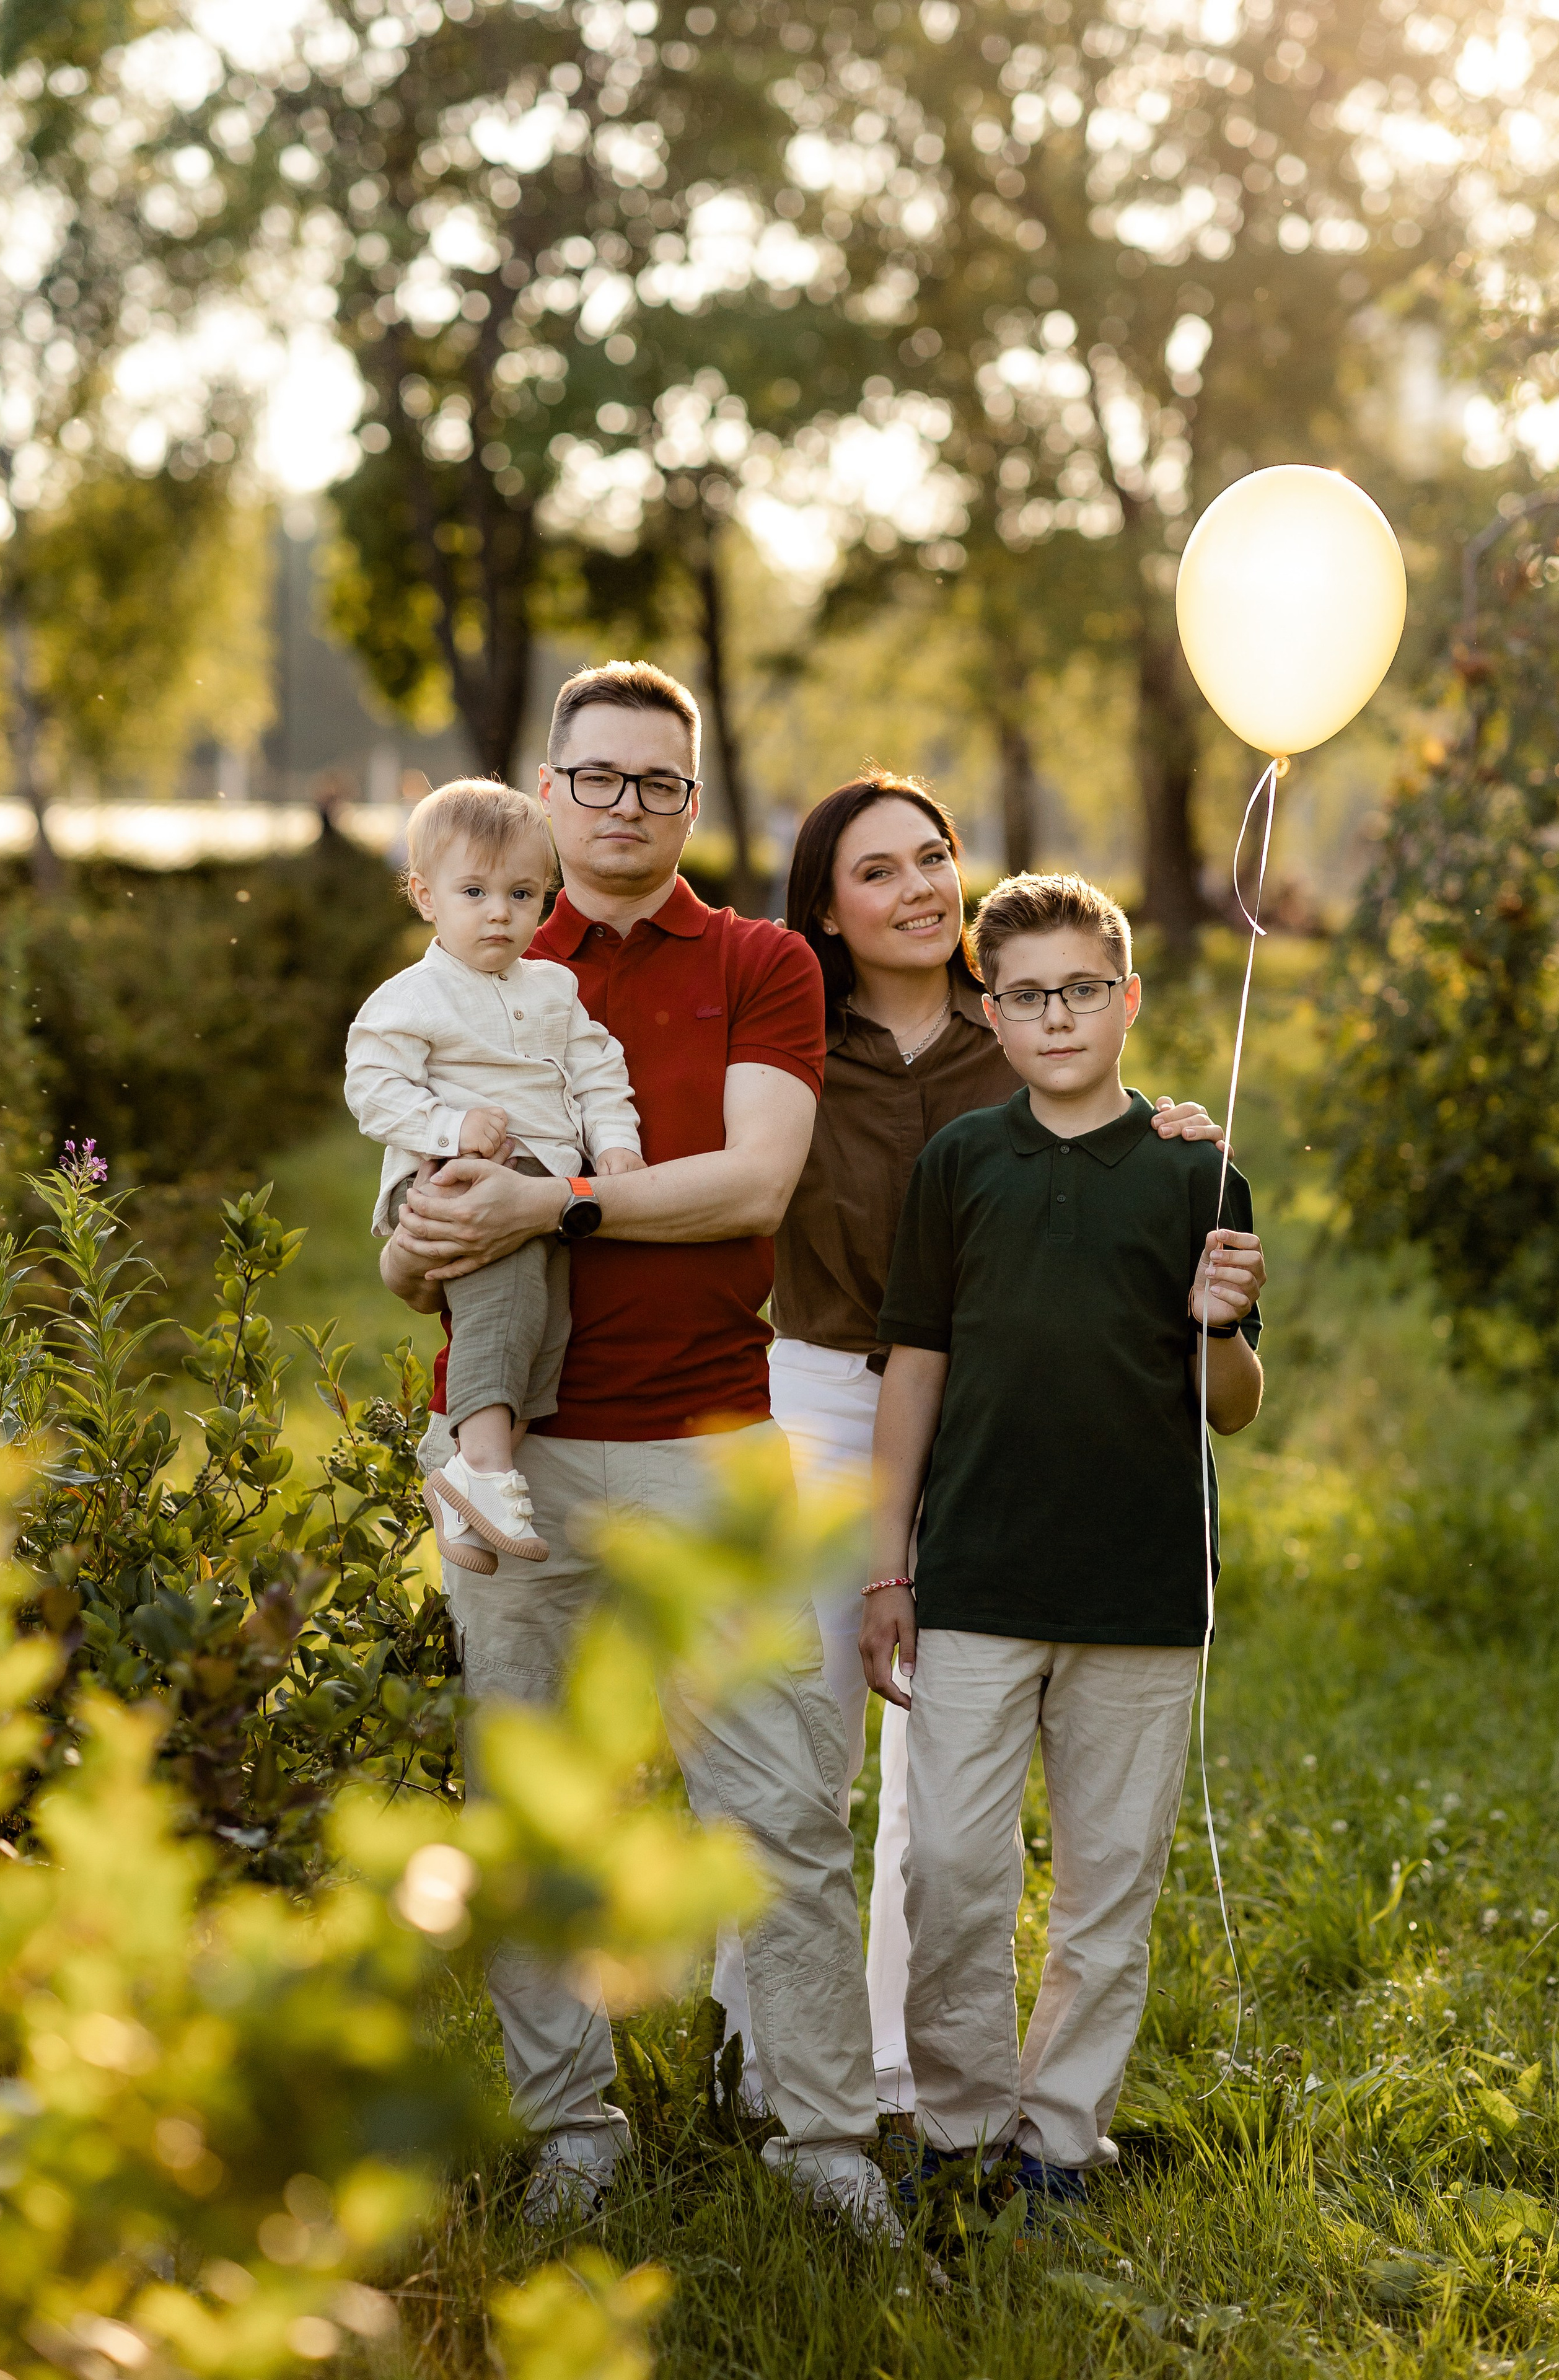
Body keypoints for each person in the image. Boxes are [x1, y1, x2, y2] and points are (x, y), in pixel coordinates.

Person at [379, 661, 901, 2242]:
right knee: (532, 1809)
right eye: (595, 777)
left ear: (691, 799)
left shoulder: (756, 962)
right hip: (511, 1450)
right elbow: (405, 1235)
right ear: (546, 790)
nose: (623, 806)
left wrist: (546, 1203)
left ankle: (826, 2141)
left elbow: (750, 1184)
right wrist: (424, 1233)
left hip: (708, 1443)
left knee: (783, 1808)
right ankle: (572, 2132)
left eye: (656, 782)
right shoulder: (474, 946)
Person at [718, 775, 1228, 2117]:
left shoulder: (1006, 1023)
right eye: (875, 870)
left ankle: (904, 2068)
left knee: (936, 1780)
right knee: (795, 1745)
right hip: (825, 1402)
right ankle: (762, 2056)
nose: (916, 888)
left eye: (932, 856)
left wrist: (1177, 1127)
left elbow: (1097, 1114)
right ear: (826, 908)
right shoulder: (785, 1037)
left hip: (997, 1417)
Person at [860, 869, 1267, 2210]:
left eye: (1081, 990)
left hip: (1141, 1589)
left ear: (1128, 999)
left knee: (1107, 1887)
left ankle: (1058, 2145)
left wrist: (1222, 1322)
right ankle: (961, 2129)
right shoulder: (960, 1164)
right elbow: (915, 1367)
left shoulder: (1198, 1171)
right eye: (1026, 996)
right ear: (990, 1012)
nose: (1055, 1017)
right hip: (977, 1574)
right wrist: (886, 1565)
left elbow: (1232, 1404)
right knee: (950, 1871)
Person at [345, 779, 644, 1563]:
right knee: (505, 1303)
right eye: (473, 892)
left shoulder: (553, 987)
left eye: (521, 894)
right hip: (456, 1179)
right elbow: (372, 1088)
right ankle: (482, 1468)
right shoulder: (412, 997)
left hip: (543, 1187)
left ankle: (461, 1487)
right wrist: (451, 1127)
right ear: (426, 896)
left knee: (545, 1330)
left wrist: (616, 1142)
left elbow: (598, 1067)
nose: (500, 913)